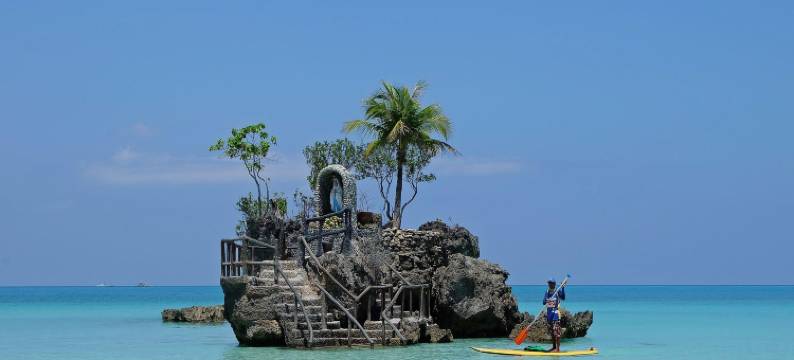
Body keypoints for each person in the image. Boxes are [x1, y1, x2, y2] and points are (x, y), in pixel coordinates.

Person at [543, 278, 566, 352]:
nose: (549, 284)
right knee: (552, 332)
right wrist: (547, 300)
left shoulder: (557, 291)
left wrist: (562, 288)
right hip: (549, 314)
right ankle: (553, 347)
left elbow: (563, 298)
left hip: (555, 314)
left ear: (554, 284)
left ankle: (558, 349)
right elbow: (543, 302)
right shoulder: (547, 291)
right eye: (549, 283)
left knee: (556, 332)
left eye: (551, 283)